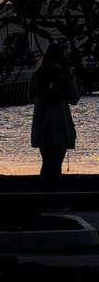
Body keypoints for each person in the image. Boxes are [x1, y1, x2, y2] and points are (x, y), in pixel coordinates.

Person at [30, 43, 80, 185]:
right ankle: (56, 201)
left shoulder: (37, 75)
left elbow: (29, 97)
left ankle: (45, 199)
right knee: (57, 164)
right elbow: (75, 99)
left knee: (46, 163)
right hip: (60, 125)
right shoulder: (65, 75)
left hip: (42, 126)